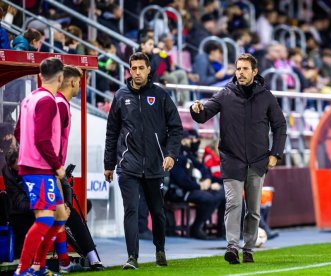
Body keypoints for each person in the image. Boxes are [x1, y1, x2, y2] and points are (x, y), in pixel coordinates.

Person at [190, 53, 287, 264]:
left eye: (245, 69)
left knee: (253, 210)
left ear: (254, 72)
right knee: (233, 203)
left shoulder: (266, 97)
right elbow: (204, 114)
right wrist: (196, 110)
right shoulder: (225, 94)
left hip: (258, 160)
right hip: (232, 158)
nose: (240, 73)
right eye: (238, 69)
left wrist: (275, 154)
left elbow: (280, 126)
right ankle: (232, 247)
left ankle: (249, 249)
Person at [104, 52, 182, 269]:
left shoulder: (161, 96)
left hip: (155, 164)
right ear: (129, 70)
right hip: (128, 164)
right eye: (133, 68)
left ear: (149, 70)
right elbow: (112, 132)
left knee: (157, 211)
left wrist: (170, 155)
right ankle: (132, 257)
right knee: (131, 209)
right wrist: (108, 165)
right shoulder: (121, 96)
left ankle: (160, 250)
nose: (137, 72)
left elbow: (176, 128)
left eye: (141, 68)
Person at [13, 57, 67, 276]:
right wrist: (57, 166)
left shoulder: (30, 98)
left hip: (30, 166)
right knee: (45, 219)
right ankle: (23, 270)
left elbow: (18, 132)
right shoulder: (48, 101)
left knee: (54, 217)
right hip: (39, 167)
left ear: (40, 76)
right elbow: (43, 139)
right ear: (61, 77)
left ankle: (38, 266)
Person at [55, 65, 104, 272]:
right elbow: (49, 140)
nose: (81, 87)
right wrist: (57, 170)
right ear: (74, 82)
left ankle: (83, 259)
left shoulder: (59, 104)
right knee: (57, 216)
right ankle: (49, 263)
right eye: (81, 82)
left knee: (64, 215)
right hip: (49, 170)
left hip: (53, 169)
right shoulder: (57, 104)